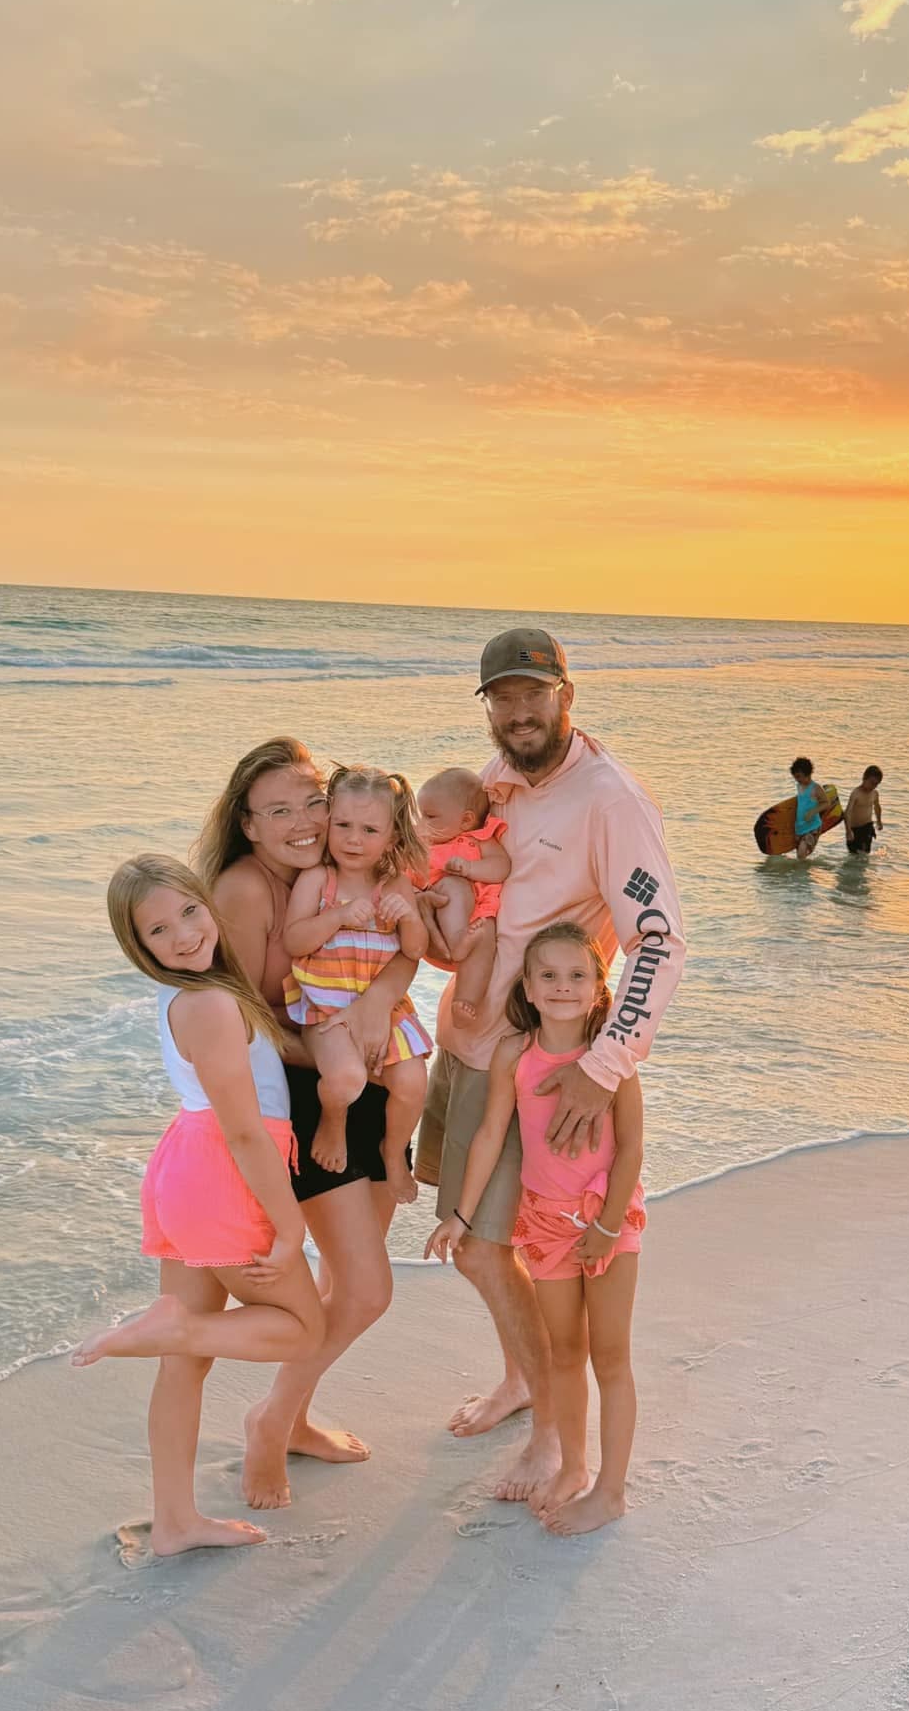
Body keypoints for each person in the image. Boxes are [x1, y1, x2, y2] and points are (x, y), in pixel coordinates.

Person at [415, 626, 685, 1506]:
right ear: (488, 703)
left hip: (540, 1074)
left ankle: (544, 1427)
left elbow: (659, 938)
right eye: (504, 695)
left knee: (498, 1247)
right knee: (479, 1245)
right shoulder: (493, 786)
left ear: (568, 695)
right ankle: (524, 1378)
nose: (520, 710)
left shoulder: (609, 799)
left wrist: (604, 1065)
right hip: (465, 1049)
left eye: (536, 692)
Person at [73, 856, 325, 1555]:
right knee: (301, 1330)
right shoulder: (212, 1003)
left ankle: (175, 1521)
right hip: (224, 1174)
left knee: (184, 1363)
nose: (183, 935)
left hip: (186, 1164)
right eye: (159, 929)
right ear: (139, 946)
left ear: (205, 903)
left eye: (188, 911)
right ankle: (172, 1328)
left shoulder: (188, 993)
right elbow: (245, 1130)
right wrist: (290, 1222)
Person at [196, 737, 415, 1510]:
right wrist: (334, 1051)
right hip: (306, 1094)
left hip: (370, 1078)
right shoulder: (247, 890)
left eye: (311, 802)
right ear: (248, 824)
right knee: (366, 1288)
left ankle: (291, 1416)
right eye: (278, 810)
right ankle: (269, 1420)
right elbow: (244, 1018)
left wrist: (379, 1003)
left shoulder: (348, 873)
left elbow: (400, 953)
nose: (303, 821)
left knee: (347, 1278)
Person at [426, 922, 645, 1535]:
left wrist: (605, 1226)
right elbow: (493, 1134)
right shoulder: (514, 1055)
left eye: (577, 975)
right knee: (566, 1353)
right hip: (544, 1226)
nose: (562, 987)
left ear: (600, 987)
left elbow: (629, 1151)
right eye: (547, 975)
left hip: (607, 1222)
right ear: (526, 984)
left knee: (610, 1356)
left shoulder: (611, 1060)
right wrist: (462, 1215)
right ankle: (573, 1467)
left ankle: (611, 1489)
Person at [284, 766, 431, 1203]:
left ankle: (391, 1150)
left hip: (386, 1011)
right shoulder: (319, 882)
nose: (353, 839)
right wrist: (337, 917)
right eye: (343, 826)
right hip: (325, 1010)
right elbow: (295, 940)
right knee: (345, 1079)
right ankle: (334, 1120)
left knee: (413, 1083)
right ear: (327, 823)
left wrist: (407, 915)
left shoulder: (396, 885)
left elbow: (415, 949)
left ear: (391, 837)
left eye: (369, 830)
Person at [413, 766, 510, 1023]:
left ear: (466, 820)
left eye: (430, 817)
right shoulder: (421, 847)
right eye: (420, 815)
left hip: (478, 915)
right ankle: (458, 942)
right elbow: (402, 879)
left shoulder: (480, 838)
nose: (422, 823)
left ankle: (464, 1002)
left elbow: (501, 867)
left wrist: (469, 868)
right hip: (443, 918)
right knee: (454, 886)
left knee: (485, 939)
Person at [790, 755, 833, 861]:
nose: (797, 780)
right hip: (800, 826)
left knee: (801, 853)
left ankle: (802, 875)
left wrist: (813, 811)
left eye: (799, 777)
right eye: (795, 777)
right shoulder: (799, 786)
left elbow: (826, 803)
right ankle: (803, 874)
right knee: (800, 854)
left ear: (807, 774)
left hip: (813, 827)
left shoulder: (815, 788)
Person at [844, 766, 884, 854]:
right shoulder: (856, 793)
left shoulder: (874, 793)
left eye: (876, 784)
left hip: (867, 827)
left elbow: (877, 807)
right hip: (854, 829)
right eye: (872, 783)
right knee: (854, 854)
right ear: (864, 778)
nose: (873, 786)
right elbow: (848, 812)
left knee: (864, 854)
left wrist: (879, 821)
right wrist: (848, 831)